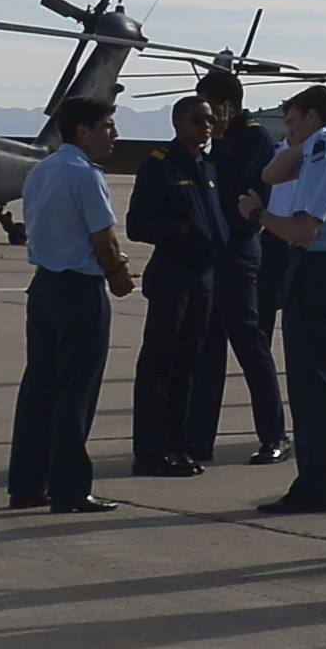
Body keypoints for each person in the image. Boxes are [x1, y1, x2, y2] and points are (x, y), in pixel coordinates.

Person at [9, 104, 140, 511]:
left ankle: (27, 483)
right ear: (82, 131)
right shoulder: (86, 176)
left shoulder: (41, 171)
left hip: (44, 286)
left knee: (38, 389)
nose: (114, 134)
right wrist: (118, 275)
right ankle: (69, 488)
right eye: (107, 127)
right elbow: (105, 239)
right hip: (79, 290)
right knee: (75, 393)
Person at [247, 84, 326, 516]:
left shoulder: (324, 150)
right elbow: (271, 174)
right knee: (318, 381)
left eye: (293, 122)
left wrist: (258, 215)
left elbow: (302, 229)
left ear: (312, 117)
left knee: (310, 385)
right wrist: (301, 141)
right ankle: (317, 480)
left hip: (318, 268)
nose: (288, 132)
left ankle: (315, 483)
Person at [122, 99, 232, 478]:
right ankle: (149, 452)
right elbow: (137, 225)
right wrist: (180, 229)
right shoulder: (160, 164)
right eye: (198, 119)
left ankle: (177, 446)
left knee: (186, 365)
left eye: (211, 119)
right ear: (177, 122)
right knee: (159, 365)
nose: (207, 125)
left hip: (204, 278)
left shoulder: (206, 165)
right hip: (172, 277)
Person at [194, 72, 285, 468]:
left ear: (226, 103)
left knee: (249, 343)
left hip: (238, 248)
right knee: (207, 347)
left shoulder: (251, 138)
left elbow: (229, 190)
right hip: (213, 251)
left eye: (209, 109)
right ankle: (197, 437)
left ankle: (273, 435)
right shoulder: (218, 142)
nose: (207, 120)